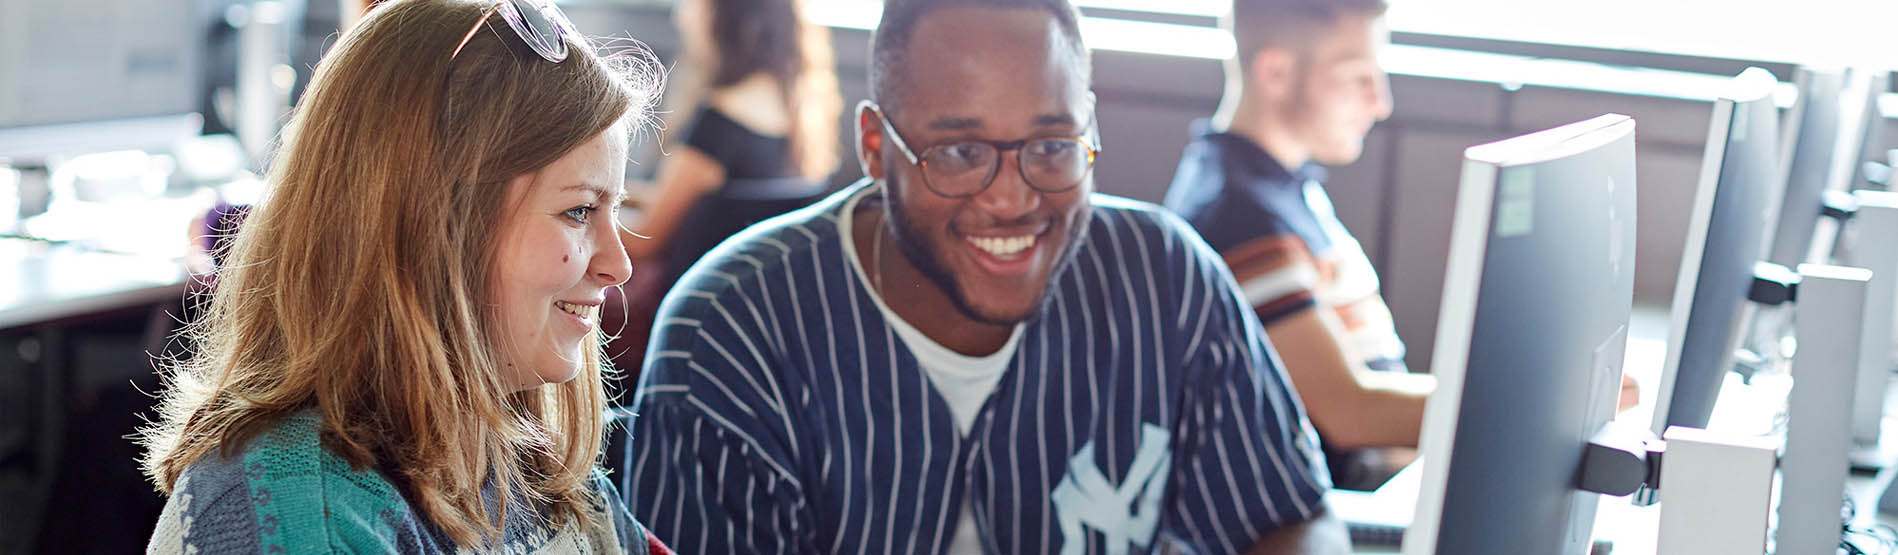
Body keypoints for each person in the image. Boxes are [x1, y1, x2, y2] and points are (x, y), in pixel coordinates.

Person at [621, 0, 1349, 552]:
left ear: (1090, 128)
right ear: (876, 147)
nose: (1012, 197)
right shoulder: (732, 332)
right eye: (960, 152)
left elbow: (1291, 513)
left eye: (1052, 144)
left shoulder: (1163, 276)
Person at [138, 1, 669, 552]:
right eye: (579, 211)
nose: (619, 264)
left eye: (615, 209)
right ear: (434, 225)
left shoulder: (527, 468)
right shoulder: (303, 519)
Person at [1162, 0, 1635, 489]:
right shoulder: (1240, 217)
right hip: (1331, 503)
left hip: (1389, 471)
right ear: (1276, 72)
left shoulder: (1282, 187)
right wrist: (1550, 405)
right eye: (1356, 78)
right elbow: (1352, 411)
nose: (1380, 102)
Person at [603, 0, 841, 376]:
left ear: (727, 17)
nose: (681, 16)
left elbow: (643, 239)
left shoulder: (719, 121)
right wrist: (610, 194)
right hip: (743, 315)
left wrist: (568, 212)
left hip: (671, 311)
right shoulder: (789, 114)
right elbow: (693, 205)